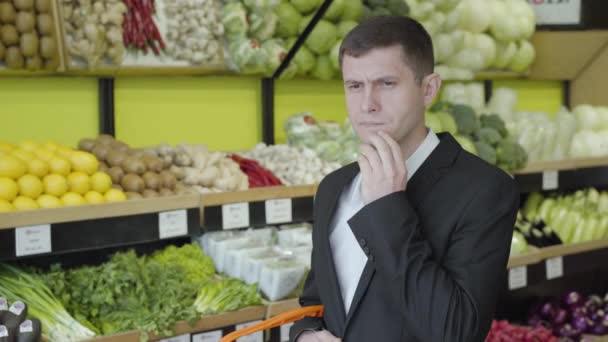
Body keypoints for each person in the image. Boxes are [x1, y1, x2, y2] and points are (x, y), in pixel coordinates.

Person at [289, 15, 519, 342]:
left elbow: (457, 332)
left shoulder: (485, 190)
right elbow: (316, 303)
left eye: (386, 84)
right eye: (355, 86)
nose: (367, 104)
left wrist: (387, 207)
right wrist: (305, 335)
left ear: (428, 89)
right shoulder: (333, 188)